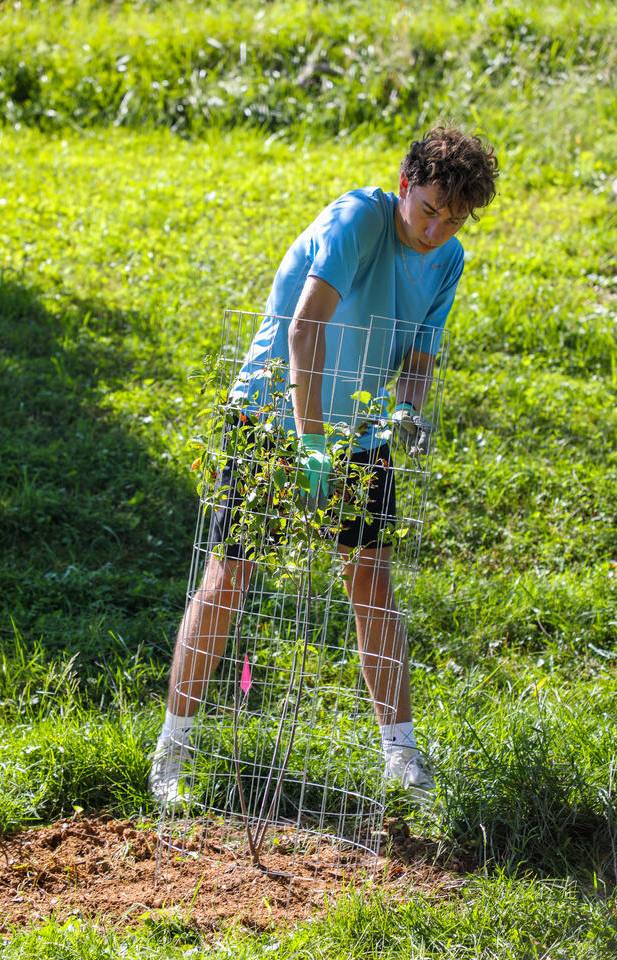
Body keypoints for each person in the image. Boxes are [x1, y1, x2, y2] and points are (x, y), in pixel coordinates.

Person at [149, 126, 498, 806]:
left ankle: (401, 757)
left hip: (359, 431)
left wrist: (410, 412)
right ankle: (174, 748)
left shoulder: (446, 258)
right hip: (273, 419)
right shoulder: (356, 220)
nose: (435, 229)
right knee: (231, 575)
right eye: (428, 210)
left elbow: (419, 358)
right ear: (405, 186)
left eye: (453, 219)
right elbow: (304, 329)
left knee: (370, 577)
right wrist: (310, 447)